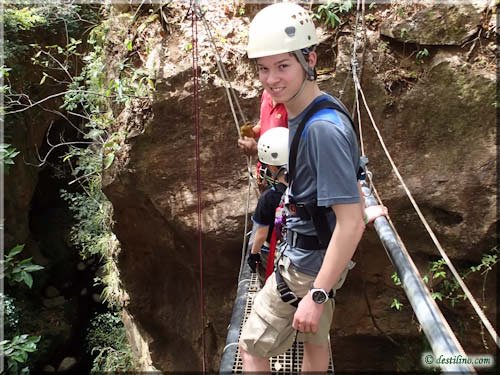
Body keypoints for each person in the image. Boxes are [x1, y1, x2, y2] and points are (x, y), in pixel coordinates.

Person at [238, 3, 387, 372]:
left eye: (283, 66)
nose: (271, 79)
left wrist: (316, 295)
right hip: (320, 260)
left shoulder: (322, 129)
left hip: (307, 269)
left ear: (310, 60)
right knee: (315, 344)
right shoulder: (315, 111)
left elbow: (349, 222)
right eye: (263, 68)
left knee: (250, 349)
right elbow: (340, 182)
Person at [247, 127, 289, 287]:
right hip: (301, 252)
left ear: (271, 167)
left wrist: (254, 254)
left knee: (269, 283)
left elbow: (261, 233)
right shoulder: (307, 186)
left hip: (273, 250)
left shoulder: (269, 198)